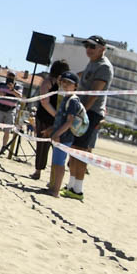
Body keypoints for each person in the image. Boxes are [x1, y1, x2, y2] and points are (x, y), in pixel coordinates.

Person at [64, 35, 114, 201]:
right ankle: (71, 185)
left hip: (90, 113)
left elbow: (94, 94)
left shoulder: (104, 66)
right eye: (87, 46)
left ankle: (78, 189)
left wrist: (82, 113)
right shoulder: (92, 63)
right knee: (74, 150)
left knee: (81, 152)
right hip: (82, 110)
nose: (89, 49)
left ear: (102, 49)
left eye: (93, 46)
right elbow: (82, 78)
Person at [44, 70, 87, 198]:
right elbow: (61, 119)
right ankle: (53, 187)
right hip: (60, 134)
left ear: (75, 86)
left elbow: (69, 121)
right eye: (64, 81)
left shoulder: (73, 101)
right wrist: (52, 129)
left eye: (69, 83)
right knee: (56, 162)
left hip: (64, 137)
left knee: (59, 164)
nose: (65, 84)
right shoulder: (66, 98)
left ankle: (56, 190)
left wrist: (57, 134)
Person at [0, 70, 21, 150]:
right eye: (9, 76)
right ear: (6, 76)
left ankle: (4, 147)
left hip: (11, 110)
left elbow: (20, 96)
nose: (10, 78)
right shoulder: (1, 84)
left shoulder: (18, 87)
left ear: (15, 78)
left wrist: (13, 90)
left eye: (12, 76)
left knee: (7, 130)